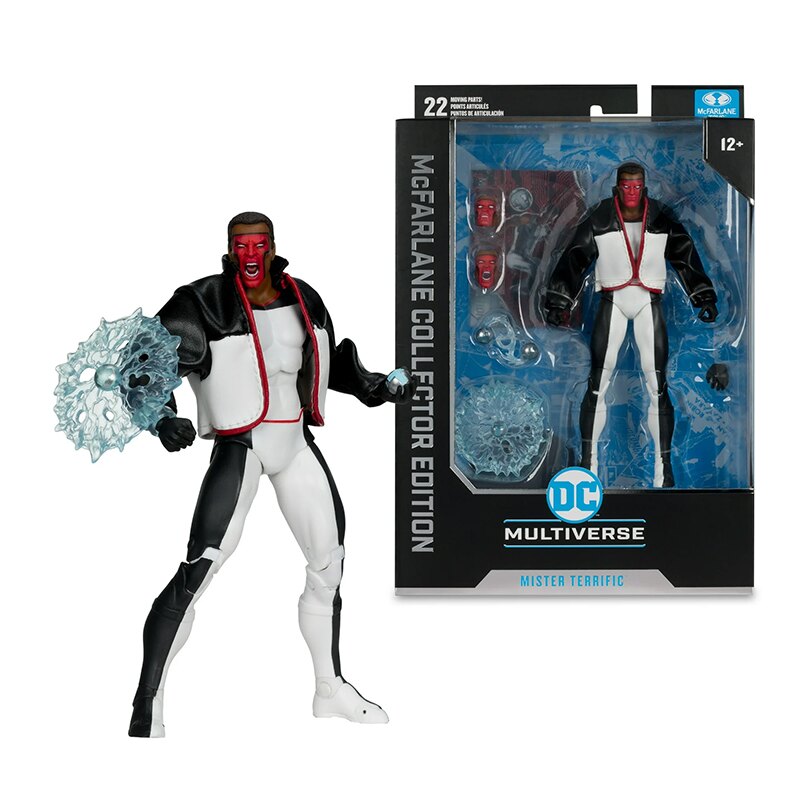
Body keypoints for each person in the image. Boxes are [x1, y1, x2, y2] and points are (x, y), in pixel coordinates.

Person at [129, 211, 415, 736]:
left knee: (329, 563)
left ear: (273, 246)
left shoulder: (305, 298)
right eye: (241, 245)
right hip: (242, 445)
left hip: (295, 443)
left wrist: (378, 387)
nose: (251, 254)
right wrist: (162, 418)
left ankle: (329, 688)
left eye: (259, 244)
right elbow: (144, 368)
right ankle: (147, 701)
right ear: (229, 250)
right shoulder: (202, 303)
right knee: (200, 567)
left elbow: (331, 364)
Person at [544, 163, 718, 488]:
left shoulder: (661, 217)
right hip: (612, 301)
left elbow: (685, 255)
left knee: (657, 385)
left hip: (649, 302)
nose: (632, 192)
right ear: (617, 187)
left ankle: (663, 467)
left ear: (644, 187)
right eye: (627, 186)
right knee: (598, 383)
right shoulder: (600, 217)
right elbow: (575, 257)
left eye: (637, 186)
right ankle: (588, 463)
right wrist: (559, 300)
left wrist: (702, 296)